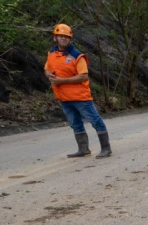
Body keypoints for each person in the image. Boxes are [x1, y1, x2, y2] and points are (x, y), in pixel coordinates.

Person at [44, 24, 112, 158]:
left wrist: (61, 81)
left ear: (70, 39)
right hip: (64, 98)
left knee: (96, 121)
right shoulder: (51, 54)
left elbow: (83, 76)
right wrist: (48, 75)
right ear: (55, 38)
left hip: (81, 98)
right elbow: (46, 68)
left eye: (66, 37)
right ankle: (83, 149)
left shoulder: (77, 56)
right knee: (75, 124)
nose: (63, 39)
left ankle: (106, 149)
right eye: (61, 36)